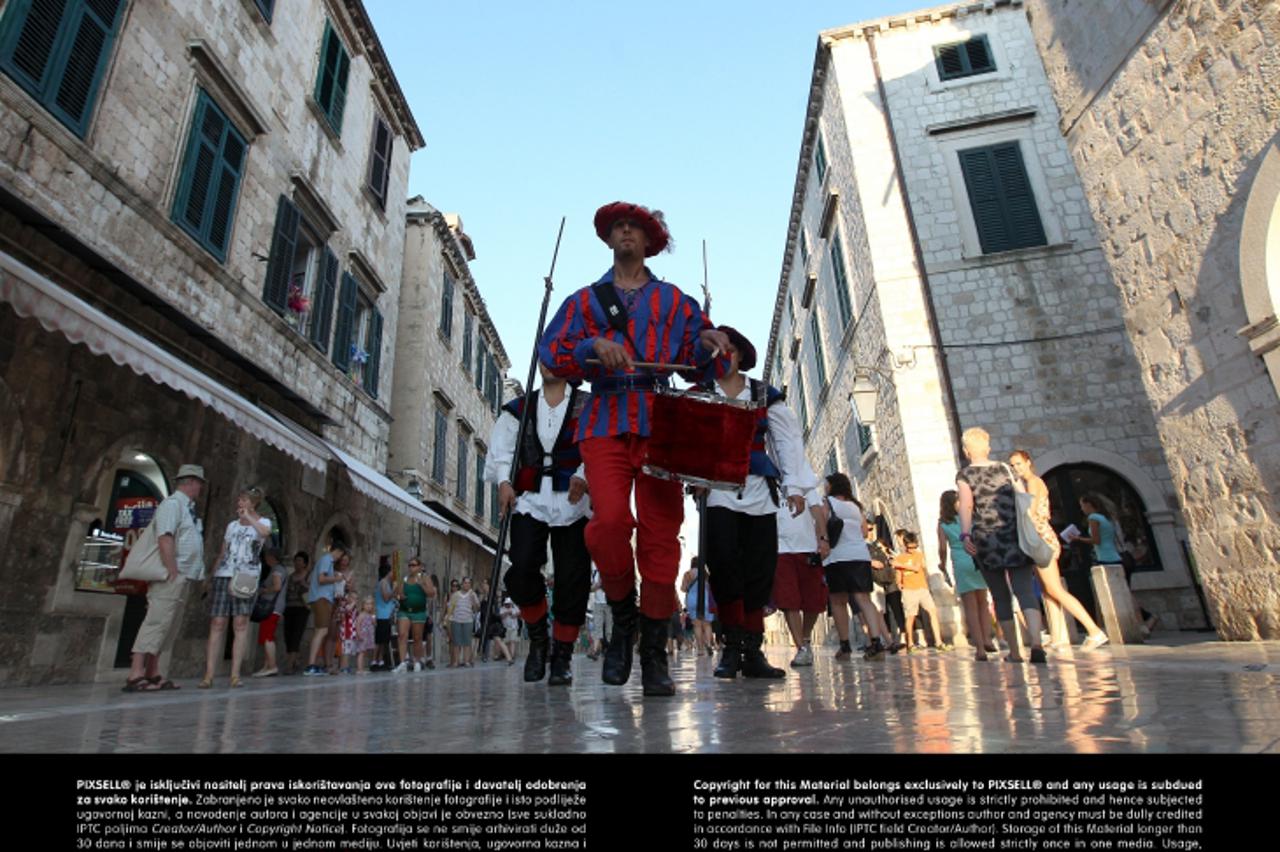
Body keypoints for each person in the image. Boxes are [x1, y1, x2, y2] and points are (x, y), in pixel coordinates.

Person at [538, 201, 731, 697]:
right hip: (603, 420)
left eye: (635, 228)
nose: (626, 232)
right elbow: (551, 351)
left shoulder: (676, 300)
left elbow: (701, 359)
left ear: (651, 242)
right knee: (607, 526)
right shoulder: (585, 301)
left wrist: (711, 341)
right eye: (618, 227)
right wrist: (589, 349)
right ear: (609, 239)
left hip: (660, 421)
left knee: (661, 539)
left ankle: (651, 652)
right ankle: (624, 616)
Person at [695, 326, 812, 679]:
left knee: (759, 573)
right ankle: (731, 646)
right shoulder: (701, 393)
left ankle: (752, 650)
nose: (723, 355)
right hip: (717, 491)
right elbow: (688, 440)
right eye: (717, 350)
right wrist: (695, 479)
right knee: (725, 568)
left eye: (728, 349)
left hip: (759, 491)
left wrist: (794, 486)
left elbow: (788, 442)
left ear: (741, 355)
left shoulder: (765, 396)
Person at [486, 364, 592, 684]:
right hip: (530, 500)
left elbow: (598, 446)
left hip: (573, 502)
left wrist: (584, 475)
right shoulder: (519, 409)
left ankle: (561, 654)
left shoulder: (587, 406)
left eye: (558, 356)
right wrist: (504, 482)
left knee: (573, 579)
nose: (549, 363)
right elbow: (503, 450)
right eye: (545, 356)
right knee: (521, 569)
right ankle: (538, 638)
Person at [956, 427, 1046, 664]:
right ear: (988, 447)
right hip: (1014, 534)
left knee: (1001, 596)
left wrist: (965, 535)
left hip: (987, 540)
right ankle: (1036, 642)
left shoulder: (964, 475)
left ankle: (1015, 652)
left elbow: (965, 506)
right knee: (1025, 590)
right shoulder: (1005, 468)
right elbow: (1021, 496)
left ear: (966, 451)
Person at [1009, 453, 1110, 651]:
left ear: (1028, 462)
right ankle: (1058, 637)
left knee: (1055, 588)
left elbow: (1032, 511)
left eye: (1018, 464)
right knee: (1047, 591)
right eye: (1012, 465)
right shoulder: (1029, 482)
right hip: (1036, 540)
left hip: (1041, 539)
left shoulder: (1034, 482)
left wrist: (1018, 493)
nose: (1016, 468)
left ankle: (1093, 630)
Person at [123, 464, 206, 692]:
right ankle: (136, 673)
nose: (200, 487)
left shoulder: (189, 508)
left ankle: (153, 671)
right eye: (199, 483)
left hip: (182, 576)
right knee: (155, 621)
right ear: (189, 482)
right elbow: (165, 537)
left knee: (168, 625)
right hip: (171, 574)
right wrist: (172, 570)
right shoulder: (172, 505)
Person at [200, 487, 272, 689]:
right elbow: (223, 551)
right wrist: (212, 576)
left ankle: (235, 674)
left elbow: (265, 533)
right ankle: (209, 674)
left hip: (246, 576)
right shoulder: (231, 526)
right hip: (225, 574)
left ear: (254, 503)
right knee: (218, 622)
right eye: (240, 499)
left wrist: (249, 517)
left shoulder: (263, 523)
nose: (240, 503)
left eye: (244, 500)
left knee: (240, 623)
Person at [823, 473, 895, 660]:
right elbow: (864, 532)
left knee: (838, 601)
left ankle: (845, 646)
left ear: (831, 486)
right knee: (864, 599)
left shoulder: (828, 503)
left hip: (837, 557)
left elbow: (822, 526)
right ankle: (876, 643)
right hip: (860, 556)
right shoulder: (856, 507)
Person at [1072, 493, 1155, 635]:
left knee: (1113, 594)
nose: (1081, 509)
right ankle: (1141, 623)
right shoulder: (1106, 518)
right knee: (1125, 593)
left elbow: (1096, 540)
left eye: (1082, 505)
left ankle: (1143, 621)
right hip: (1117, 557)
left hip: (1106, 557)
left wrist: (1078, 539)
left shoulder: (1093, 518)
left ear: (1089, 505)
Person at [773, 485, 828, 667]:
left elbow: (818, 511)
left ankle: (805, 638)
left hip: (807, 547)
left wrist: (823, 539)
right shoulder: (767, 482)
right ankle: (801, 648)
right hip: (780, 549)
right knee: (789, 600)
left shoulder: (803, 482)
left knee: (813, 601)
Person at [938, 490, 995, 661]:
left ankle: (979, 649)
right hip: (977, 558)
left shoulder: (943, 524)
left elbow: (942, 548)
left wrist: (942, 563)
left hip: (960, 561)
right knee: (983, 602)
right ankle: (987, 639)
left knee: (970, 607)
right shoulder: (970, 517)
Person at [893, 532, 951, 653]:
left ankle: (939, 641)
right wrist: (900, 584)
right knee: (910, 616)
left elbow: (916, 567)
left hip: (922, 588)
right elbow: (898, 575)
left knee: (932, 612)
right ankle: (910, 644)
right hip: (909, 590)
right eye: (910, 547)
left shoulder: (918, 555)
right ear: (905, 545)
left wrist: (899, 564)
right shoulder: (900, 557)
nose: (912, 550)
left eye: (914, 547)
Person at [303, 544, 347, 676]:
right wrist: (336, 579)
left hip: (324, 598)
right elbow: (321, 579)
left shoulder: (327, 561)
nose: (340, 558)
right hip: (321, 598)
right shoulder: (327, 559)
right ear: (338, 551)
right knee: (322, 630)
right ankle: (311, 665)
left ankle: (314, 664)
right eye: (341, 555)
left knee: (321, 630)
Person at [867, 524, 905, 652]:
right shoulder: (860, 545)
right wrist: (870, 562)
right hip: (868, 582)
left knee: (879, 612)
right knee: (875, 611)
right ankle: (878, 641)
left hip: (878, 582)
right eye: (868, 529)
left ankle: (887, 642)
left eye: (872, 529)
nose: (871, 532)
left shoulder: (874, 546)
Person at [251, 547, 288, 678]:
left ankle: (272, 666)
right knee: (267, 635)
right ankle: (267, 666)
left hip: (272, 607)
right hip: (276, 607)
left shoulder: (277, 570)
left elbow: (277, 587)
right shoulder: (279, 569)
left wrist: (264, 591)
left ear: (272, 557)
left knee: (267, 636)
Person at [394, 557, 430, 673]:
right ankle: (402, 662)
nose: (411, 567)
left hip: (418, 612)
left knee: (417, 637)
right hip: (404, 610)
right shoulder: (403, 579)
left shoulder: (425, 578)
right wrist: (400, 597)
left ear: (419, 567)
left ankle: (417, 661)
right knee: (402, 635)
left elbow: (432, 593)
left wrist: (422, 585)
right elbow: (397, 595)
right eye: (409, 565)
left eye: (413, 565)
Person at [681, 559, 718, 658]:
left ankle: (700, 650)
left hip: (692, 600)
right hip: (705, 599)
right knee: (707, 624)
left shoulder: (687, 574)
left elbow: (683, 588)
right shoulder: (705, 574)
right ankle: (709, 645)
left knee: (697, 625)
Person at [282, 552, 311, 674]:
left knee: (296, 635)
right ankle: (295, 660)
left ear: (305, 563)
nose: (297, 563)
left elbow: (311, 590)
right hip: (289, 607)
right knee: (288, 635)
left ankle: (289, 664)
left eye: (300, 560)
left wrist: (304, 584)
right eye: (296, 560)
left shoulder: (308, 576)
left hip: (302, 608)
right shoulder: (290, 577)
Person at [448, 578, 481, 667]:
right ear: (462, 584)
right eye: (465, 583)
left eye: (469, 583)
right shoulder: (455, 594)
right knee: (456, 642)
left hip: (468, 620)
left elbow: (476, 608)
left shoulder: (472, 594)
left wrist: (473, 598)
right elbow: (450, 607)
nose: (467, 585)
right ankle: (456, 661)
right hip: (456, 620)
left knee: (467, 642)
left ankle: (466, 661)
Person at [373, 560, 397, 671]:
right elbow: (386, 597)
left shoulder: (386, 583)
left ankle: (381, 661)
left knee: (384, 640)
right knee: (379, 640)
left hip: (386, 615)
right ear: (388, 572)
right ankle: (375, 661)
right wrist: (395, 591)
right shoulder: (383, 582)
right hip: (382, 615)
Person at [354, 596, 377, 674]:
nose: (369, 606)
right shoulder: (362, 615)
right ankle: (359, 669)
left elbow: (374, 624)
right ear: (363, 605)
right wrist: (358, 634)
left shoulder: (370, 615)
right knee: (361, 652)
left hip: (368, 636)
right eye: (367, 604)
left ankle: (362, 668)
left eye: (370, 604)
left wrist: (373, 617)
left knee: (364, 652)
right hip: (363, 636)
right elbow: (357, 624)